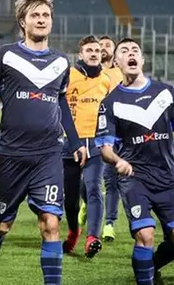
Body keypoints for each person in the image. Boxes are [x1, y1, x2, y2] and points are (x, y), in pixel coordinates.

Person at [0, 0, 86, 285]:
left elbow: (61, 103)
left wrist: (75, 142)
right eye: (35, 15)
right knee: (3, 225)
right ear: (22, 22)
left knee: (51, 224)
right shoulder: (5, 55)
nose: (42, 19)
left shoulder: (61, 61)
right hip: (11, 155)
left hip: (49, 154)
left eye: (46, 15)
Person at [95, 37, 174, 284]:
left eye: (135, 50)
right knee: (145, 235)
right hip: (135, 180)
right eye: (124, 51)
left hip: (168, 178)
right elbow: (105, 149)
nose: (131, 53)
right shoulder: (110, 103)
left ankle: (150, 268)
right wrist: (117, 161)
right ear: (116, 62)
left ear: (142, 59)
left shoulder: (166, 92)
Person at [62, 36, 112, 258]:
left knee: (94, 187)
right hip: (70, 143)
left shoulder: (106, 80)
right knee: (70, 198)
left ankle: (93, 238)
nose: (94, 54)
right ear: (80, 54)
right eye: (89, 50)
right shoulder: (68, 76)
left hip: (96, 143)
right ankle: (74, 230)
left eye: (97, 50)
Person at [97, 35, 123, 242]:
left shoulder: (121, 72)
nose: (104, 47)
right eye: (101, 45)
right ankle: (87, 202)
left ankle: (109, 223)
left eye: (108, 45)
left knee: (112, 179)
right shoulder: (89, 72)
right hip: (92, 130)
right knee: (87, 182)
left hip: (117, 131)